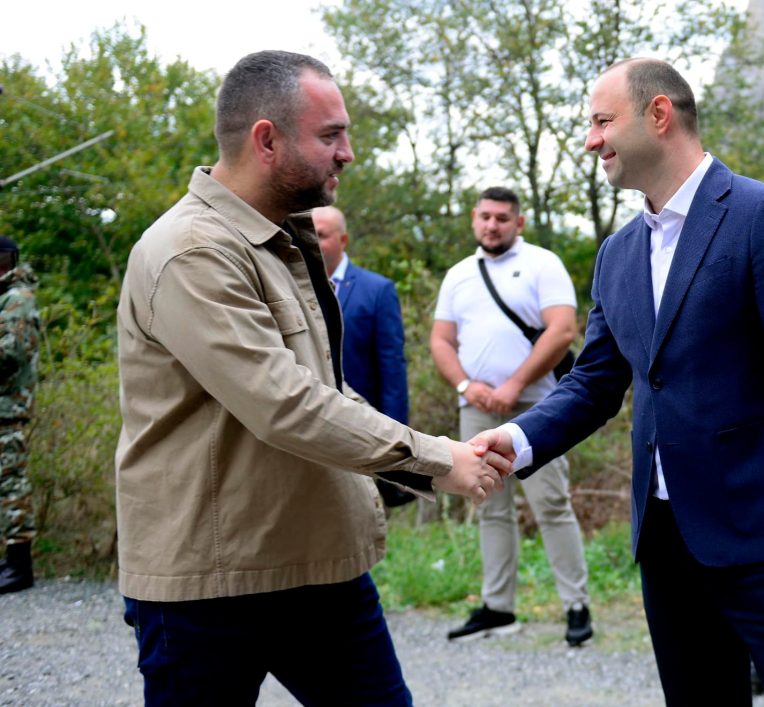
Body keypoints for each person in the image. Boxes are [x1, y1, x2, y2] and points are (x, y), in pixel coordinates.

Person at [115, 50, 509, 706]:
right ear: (267, 139)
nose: (348, 153)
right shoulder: (191, 252)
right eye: (331, 135)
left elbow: (322, 386)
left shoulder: (282, 243)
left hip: (317, 564)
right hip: (211, 585)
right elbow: (285, 403)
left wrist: (439, 455)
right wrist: (439, 460)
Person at [470, 59, 764, 705]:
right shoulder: (617, 252)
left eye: (601, 121)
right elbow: (595, 381)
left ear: (659, 114)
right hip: (665, 541)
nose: (591, 140)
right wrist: (516, 438)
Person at [430, 187, 593, 647]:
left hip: (539, 406)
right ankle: (498, 608)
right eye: (484, 217)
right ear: (473, 219)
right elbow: (441, 340)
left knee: (552, 505)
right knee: (488, 508)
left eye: (502, 218)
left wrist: (515, 385)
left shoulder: (543, 264)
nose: (492, 225)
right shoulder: (459, 275)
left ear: (518, 223)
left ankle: (576, 607)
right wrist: (467, 385)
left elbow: (562, 329)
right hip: (476, 409)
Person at [311, 205, 415, 507]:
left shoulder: (377, 290)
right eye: (309, 234)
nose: (314, 241)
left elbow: (392, 368)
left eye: (322, 235)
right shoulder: (290, 286)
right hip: (309, 419)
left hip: (363, 423)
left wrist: (397, 441)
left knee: (365, 512)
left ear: (343, 241)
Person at [0, 236, 40, 595]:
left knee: (11, 485)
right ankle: (10, 561)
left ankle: (19, 566)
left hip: (8, 410)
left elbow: (10, 353)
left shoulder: (18, 300)